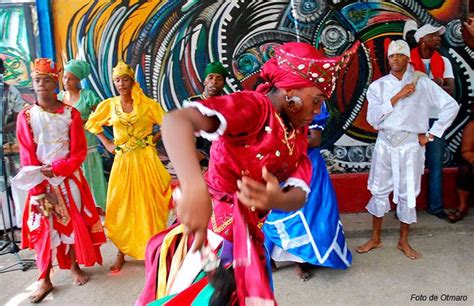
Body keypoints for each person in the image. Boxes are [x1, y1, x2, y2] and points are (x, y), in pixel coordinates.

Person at [136, 41, 359, 305]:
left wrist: (277, 201)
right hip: (209, 235)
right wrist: (195, 188)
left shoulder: (297, 137)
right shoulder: (254, 108)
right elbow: (176, 121)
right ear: (291, 91)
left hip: (248, 244)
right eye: (317, 100)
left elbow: (299, 194)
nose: (318, 110)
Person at [12, 58, 106, 303]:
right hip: (39, 180)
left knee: (72, 224)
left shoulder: (71, 114)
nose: (41, 84)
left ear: (55, 83)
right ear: (32, 84)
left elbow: (79, 152)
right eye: (37, 80)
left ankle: (74, 266)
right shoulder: (27, 117)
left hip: (67, 179)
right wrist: (39, 183)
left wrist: (58, 169)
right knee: (43, 227)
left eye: (46, 80)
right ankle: (44, 277)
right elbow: (26, 154)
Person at [356, 40, 459, 260]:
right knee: (379, 189)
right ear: (388, 59)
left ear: (407, 58)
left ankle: (403, 241)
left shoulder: (422, 83)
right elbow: (373, 119)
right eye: (392, 56)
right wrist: (398, 96)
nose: (395, 59)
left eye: (400, 55)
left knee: (407, 192)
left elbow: (451, 106)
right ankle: (375, 237)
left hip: (410, 145)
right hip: (384, 144)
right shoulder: (378, 86)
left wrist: (432, 134)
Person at [85, 61, 172, 272]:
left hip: (146, 160)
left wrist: (152, 139)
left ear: (132, 81)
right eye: (117, 80)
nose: (121, 84)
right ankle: (121, 251)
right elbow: (92, 124)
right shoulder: (110, 105)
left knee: (149, 204)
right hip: (123, 161)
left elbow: (168, 122)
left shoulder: (147, 104)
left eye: (125, 79)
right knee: (121, 205)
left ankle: (156, 249)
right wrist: (106, 142)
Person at [263, 103, 352, 281]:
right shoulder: (273, 99)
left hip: (306, 163)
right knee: (273, 212)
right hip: (280, 163)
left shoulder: (313, 101)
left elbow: (315, 140)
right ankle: (271, 258)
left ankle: (301, 260)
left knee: (306, 213)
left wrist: (282, 143)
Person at [411, 24, 455, 219]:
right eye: (434, 35)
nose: (439, 39)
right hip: (412, 118)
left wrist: (431, 84)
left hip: (436, 117)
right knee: (409, 162)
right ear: (422, 39)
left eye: (439, 36)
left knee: (436, 162)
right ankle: (407, 207)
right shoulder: (408, 61)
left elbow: (451, 90)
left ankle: (435, 207)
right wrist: (438, 84)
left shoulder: (443, 61)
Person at [58, 59, 108, 214]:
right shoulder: (59, 97)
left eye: (71, 78)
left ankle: (99, 207)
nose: (66, 81)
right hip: (67, 145)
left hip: (87, 143)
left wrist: (85, 121)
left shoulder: (87, 96)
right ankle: (79, 209)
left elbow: (101, 115)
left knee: (92, 176)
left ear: (78, 80)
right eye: (65, 77)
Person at [1, 57, 27, 229]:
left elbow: (19, 115)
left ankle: (22, 222)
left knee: (17, 180)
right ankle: (4, 226)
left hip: (7, 140)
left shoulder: (10, 91)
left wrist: (3, 128)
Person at [187, 61, 229, 167]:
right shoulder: (192, 103)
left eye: (219, 79)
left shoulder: (228, 105)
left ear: (223, 84)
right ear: (205, 81)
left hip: (220, 160)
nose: (214, 82)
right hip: (196, 160)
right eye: (210, 77)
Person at [448, 104, 473, 222]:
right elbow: (466, 151)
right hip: (472, 160)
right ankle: (462, 206)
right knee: (465, 170)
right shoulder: (472, 126)